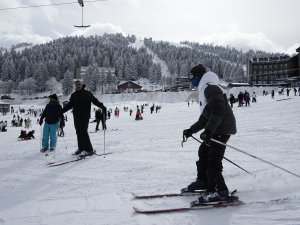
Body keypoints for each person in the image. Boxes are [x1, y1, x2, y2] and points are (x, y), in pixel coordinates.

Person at [182, 64, 237, 203]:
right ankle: (204, 181)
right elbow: (206, 116)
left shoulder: (210, 87)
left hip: (222, 128)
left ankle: (219, 191)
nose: (191, 80)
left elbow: (219, 110)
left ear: (199, 76)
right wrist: (191, 130)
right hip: (217, 127)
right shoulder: (205, 88)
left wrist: (209, 131)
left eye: (191, 76)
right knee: (204, 151)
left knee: (213, 159)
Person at [62, 80, 107, 157]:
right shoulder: (74, 95)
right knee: (78, 132)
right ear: (75, 86)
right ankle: (81, 148)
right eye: (76, 85)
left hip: (85, 116)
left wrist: (101, 106)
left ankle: (89, 149)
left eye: (79, 84)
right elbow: (70, 105)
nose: (78, 85)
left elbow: (94, 101)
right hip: (76, 116)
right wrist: (61, 111)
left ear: (82, 85)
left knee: (83, 132)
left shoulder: (87, 94)